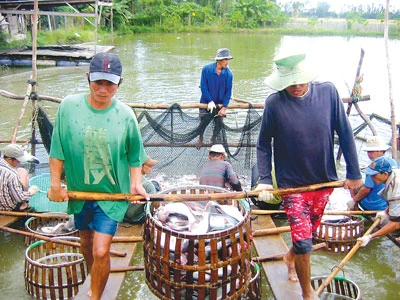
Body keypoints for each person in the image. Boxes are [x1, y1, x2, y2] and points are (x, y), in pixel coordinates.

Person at [255, 53, 363, 300]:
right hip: (291, 186)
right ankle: (307, 294)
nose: (296, 86)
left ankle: (289, 256)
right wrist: (263, 179)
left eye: (300, 81)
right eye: (290, 83)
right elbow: (263, 144)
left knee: (308, 233)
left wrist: (354, 173)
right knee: (305, 242)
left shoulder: (328, 93)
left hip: (322, 181)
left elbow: (345, 133)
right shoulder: (274, 103)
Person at [47, 52, 149, 300]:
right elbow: (57, 150)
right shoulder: (69, 107)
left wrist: (136, 183)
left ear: (120, 82)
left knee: (102, 250)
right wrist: (54, 184)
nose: (103, 89)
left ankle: (95, 295)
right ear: (87, 78)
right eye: (98, 82)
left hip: (111, 196)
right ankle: (96, 275)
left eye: (110, 83)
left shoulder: (125, 116)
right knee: (86, 243)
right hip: (80, 192)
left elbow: (135, 155)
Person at [357, 156, 400, 246]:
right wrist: (385, 212)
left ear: (385, 174)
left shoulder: (395, 188)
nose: (372, 178)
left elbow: (395, 224)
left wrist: (371, 236)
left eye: (374, 175)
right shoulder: (393, 174)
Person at [347, 136, 398, 211]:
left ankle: (354, 210)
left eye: (372, 151)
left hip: (372, 205)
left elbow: (366, 189)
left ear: (381, 150)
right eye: (368, 152)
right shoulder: (393, 162)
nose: (369, 154)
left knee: (352, 184)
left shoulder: (374, 169)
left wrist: (353, 200)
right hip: (386, 205)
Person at [196, 48, 233, 148]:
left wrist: (224, 107)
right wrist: (210, 101)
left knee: (219, 123)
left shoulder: (229, 74)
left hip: (220, 104)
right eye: (225, 59)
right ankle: (200, 138)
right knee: (203, 121)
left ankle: (213, 138)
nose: (227, 62)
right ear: (219, 60)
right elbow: (203, 87)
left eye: (228, 59)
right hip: (205, 102)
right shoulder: (206, 69)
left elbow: (228, 92)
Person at [0, 143, 39, 211]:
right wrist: (31, 192)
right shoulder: (12, 175)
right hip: (8, 208)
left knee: (20, 170)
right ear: (9, 159)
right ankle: (24, 205)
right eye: (18, 160)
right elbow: (20, 198)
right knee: (23, 172)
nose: (19, 162)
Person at [124, 156, 159, 224]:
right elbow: (155, 205)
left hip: (120, 214)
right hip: (135, 218)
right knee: (155, 186)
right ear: (142, 166)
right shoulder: (149, 186)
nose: (151, 169)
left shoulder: (126, 175)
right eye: (150, 166)